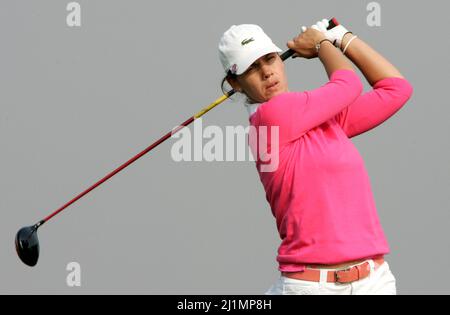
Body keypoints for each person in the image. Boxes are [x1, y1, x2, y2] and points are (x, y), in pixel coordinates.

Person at [217, 19, 413, 295]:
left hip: (373, 281)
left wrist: (342, 37)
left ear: (282, 59)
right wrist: (321, 44)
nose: (266, 73)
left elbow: (396, 89)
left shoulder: (322, 119)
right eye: (252, 68)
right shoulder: (270, 118)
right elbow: (348, 84)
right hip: (311, 286)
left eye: (270, 59)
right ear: (235, 84)